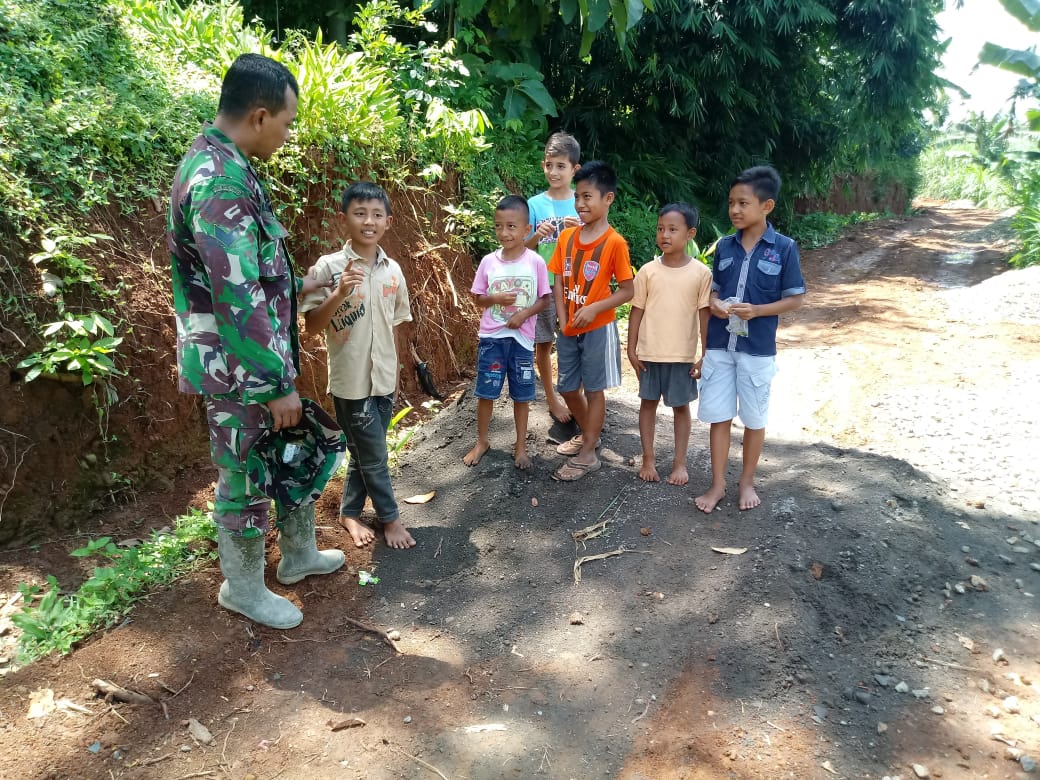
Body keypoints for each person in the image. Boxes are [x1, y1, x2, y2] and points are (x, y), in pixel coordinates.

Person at [169, 53, 344, 630]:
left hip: (255, 356)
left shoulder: (230, 165)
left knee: (284, 450)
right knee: (244, 469)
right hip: (237, 367)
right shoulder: (217, 180)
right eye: (288, 123)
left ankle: (297, 558)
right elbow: (235, 295)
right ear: (261, 114)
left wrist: (301, 284)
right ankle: (242, 587)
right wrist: (274, 383)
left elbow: (252, 276)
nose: (289, 135)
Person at [300, 182, 417, 549]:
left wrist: (396, 373)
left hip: (383, 379)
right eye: (360, 213)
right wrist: (338, 294)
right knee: (375, 455)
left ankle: (349, 513)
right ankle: (390, 519)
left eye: (377, 215)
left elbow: (396, 327)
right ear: (343, 219)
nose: (369, 221)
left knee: (366, 451)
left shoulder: (393, 271)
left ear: (388, 222)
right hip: (351, 383)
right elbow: (312, 326)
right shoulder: (328, 269)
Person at [694, 165, 806, 513]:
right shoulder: (724, 247)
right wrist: (714, 304)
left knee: (755, 419)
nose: (735, 210)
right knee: (719, 416)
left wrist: (757, 311)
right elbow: (712, 291)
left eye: (743, 203)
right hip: (719, 346)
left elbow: (796, 297)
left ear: (766, 206)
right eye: (731, 203)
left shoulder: (784, 248)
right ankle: (717, 485)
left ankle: (746, 481)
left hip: (756, 350)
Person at [547, 160, 634, 481]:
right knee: (568, 388)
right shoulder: (567, 238)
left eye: (588, 197)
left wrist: (595, 308)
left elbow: (627, 290)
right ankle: (588, 434)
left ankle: (589, 453)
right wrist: (562, 313)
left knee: (595, 390)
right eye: (578, 197)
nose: (581, 204)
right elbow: (557, 279)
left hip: (598, 328)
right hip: (568, 327)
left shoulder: (615, 243)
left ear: (607, 199)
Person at [463, 196, 551, 470]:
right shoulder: (489, 261)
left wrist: (524, 314)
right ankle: (482, 441)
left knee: (522, 395)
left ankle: (521, 447)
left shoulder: (535, 261)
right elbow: (477, 298)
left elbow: (544, 299)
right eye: (499, 226)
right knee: (486, 392)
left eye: (512, 226)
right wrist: (496, 298)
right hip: (492, 339)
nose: (504, 233)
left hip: (523, 341)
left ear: (527, 230)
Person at [627, 203, 712, 486]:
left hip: (682, 356)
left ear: (690, 234)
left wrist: (704, 355)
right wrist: (630, 348)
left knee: (680, 408)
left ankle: (679, 464)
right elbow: (636, 311)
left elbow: (704, 316)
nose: (665, 235)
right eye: (661, 229)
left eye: (673, 230)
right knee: (647, 404)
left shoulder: (701, 274)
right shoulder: (648, 271)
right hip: (650, 353)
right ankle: (648, 459)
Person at [525, 132, 582, 427]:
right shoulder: (534, 205)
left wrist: (580, 230)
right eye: (549, 165)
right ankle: (551, 397)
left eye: (561, 166)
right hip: (543, 285)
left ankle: (577, 395)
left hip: (576, 286)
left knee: (576, 341)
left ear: (575, 169)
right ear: (543, 165)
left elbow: (594, 244)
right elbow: (521, 248)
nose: (554, 172)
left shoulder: (582, 202)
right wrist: (538, 234)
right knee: (544, 343)